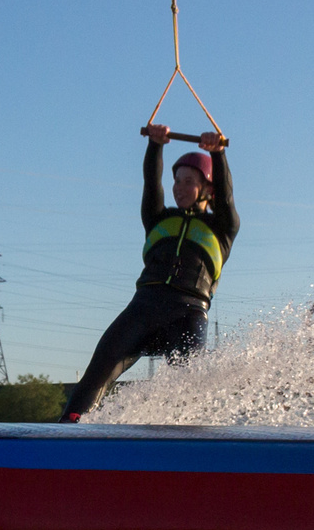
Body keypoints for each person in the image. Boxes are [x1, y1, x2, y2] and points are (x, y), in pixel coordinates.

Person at [61, 125, 238, 421]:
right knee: (95, 375)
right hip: (144, 308)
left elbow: (228, 198)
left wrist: (218, 155)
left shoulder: (222, 228)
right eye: (177, 181)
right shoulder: (157, 218)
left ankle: (184, 452)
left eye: (189, 182)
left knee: (187, 393)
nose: (179, 188)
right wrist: (155, 146)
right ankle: (65, 435)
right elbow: (150, 182)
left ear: (208, 188)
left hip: (188, 315)